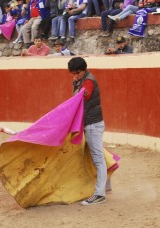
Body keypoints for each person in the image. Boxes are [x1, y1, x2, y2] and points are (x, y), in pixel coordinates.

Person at [68, 57, 107, 206]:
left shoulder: (88, 81)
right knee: (97, 155)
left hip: (92, 124)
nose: (76, 75)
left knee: (97, 157)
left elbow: (84, 96)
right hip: (89, 123)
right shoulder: (79, 80)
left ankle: (99, 194)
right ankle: (106, 185)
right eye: (73, 73)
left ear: (84, 69)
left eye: (78, 72)